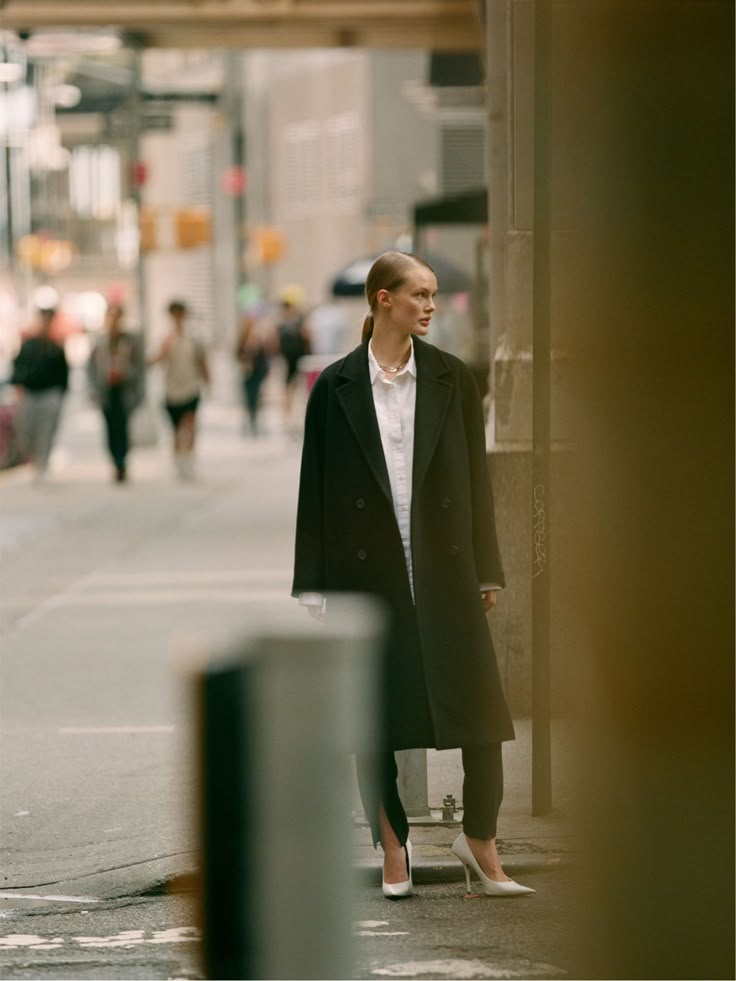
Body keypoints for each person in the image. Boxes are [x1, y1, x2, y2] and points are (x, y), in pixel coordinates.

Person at [292, 251, 534, 900]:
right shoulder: (334, 387)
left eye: (431, 295)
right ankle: (393, 845)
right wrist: (312, 583)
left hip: (446, 570)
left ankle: (479, 839)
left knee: (481, 716)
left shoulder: (454, 378)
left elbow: (477, 486)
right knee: (374, 719)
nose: (430, 305)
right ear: (382, 300)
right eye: (419, 294)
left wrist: (489, 567)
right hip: (367, 576)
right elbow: (313, 488)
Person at [148, 300, 209, 481]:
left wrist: (208, 382)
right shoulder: (164, 338)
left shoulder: (194, 338)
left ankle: (189, 461)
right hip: (171, 390)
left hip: (191, 387)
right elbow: (153, 361)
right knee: (175, 430)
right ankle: (177, 461)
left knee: (189, 425)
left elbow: (202, 362)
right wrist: (163, 350)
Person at [10, 305, 69, 484]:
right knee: (25, 432)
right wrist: (18, 388)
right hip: (30, 394)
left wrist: (60, 395)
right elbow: (17, 367)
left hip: (50, 395)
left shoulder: (56, 347)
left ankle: (41, 466)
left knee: (46, 432)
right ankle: (33, 459)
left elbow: (64, 374)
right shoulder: (29, 344)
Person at [87, 303, 145, 483]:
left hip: (124, 390)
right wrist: (93, 391)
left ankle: (122, 461)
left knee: (123, 427)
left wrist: (126, 376)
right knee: (110, 428)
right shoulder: (100, 341)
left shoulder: (131, 341)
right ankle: (115, 460)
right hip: (106, 392)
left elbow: (139, 367)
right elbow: (91, 368)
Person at [235, 299, 274, 437]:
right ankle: (250, 421)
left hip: (258, 371)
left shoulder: (261, 336)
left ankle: (255, 422)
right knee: (248, 397)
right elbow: (237, 353)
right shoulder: (243, 337)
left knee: (257, 396)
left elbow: (267, 354)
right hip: (247, 372)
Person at [276, 285, 311, 432]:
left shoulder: (297, 321)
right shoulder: (284, 323)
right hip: (289, 358)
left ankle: (297, 414)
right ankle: (287, 416)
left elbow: (307, 337)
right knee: (289, 388)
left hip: (300, 357)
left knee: (299, 386)